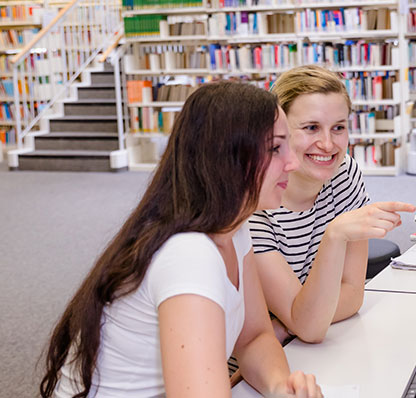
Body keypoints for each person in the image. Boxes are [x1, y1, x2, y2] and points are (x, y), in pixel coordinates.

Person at [38, 81, 322, 398]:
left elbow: (254, 336)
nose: (293, 162)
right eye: (275, 148)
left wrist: (280, 386)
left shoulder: (234, 224)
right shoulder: (190, 254)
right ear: (227, 158)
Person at [250, 65, 416, 344]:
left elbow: (352, 293)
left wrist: (290, 324)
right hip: (254, 364)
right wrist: (335, 234)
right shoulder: (256, 207)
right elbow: (310, 327)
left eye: (338, 128)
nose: (327, 144)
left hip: (295, 342)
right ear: (277, 132)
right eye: (311, 127)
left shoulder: (344, 172)